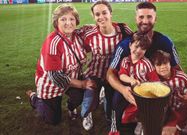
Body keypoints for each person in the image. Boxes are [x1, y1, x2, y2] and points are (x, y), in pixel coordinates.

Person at [106, 2, 181, 134]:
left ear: (155, 19)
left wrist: (184, 86)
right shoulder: (125, 45)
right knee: (116, 100)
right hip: (129, 86)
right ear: (136, 19)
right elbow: (110, 73)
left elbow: (177, 68)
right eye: (141, 17)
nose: (145, 21)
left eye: (149, 17)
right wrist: (123, 89)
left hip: (155, 85)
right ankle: (115, 126)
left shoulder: (165, 42)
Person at [25, 4, 96, 125]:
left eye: (72, 19)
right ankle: (34, 98)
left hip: (71, 78)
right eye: (63, 19)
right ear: (56, 22)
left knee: (79, 96)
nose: (68, 23)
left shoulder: (79, 36)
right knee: (53, 120)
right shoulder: (52, 42)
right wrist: (82, 84)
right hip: (51, 83)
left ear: (76, 21)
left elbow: (98, 29)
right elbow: (56, 77)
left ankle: (70, 107)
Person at [75, 0, 133, 131]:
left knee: (110, 111)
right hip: (94, 74)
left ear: (111, 13)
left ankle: (104, 94)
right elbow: (72, 38)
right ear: (93, 16)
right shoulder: (89, 34)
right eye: (97, 14)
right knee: (88, 105)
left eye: (104, 13)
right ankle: (87, 114)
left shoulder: (123, 29)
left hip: (113, 76)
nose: (101, 17)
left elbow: (135, 44)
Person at [150, 50, 187, 135]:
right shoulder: (153, 80)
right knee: (166, 133)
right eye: (158, 65)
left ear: (170, 63)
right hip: (170, 113)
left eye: (165, 63)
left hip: (183, 107)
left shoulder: (180, 75)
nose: (162, 67)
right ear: (154, 67)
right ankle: (180, 126)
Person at [118, 32, 160, 135]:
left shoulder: (146, 64)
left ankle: (142, 123)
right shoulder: (125, 61)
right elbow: (121, 75)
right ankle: (128, 123)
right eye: (136, 46)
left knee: (145, 109)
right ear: (130, 45)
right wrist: (131, 80)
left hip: (145, 93)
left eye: (143, 48)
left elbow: (155, 81)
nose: (138, 51)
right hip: (132, 92)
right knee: (125, 116)